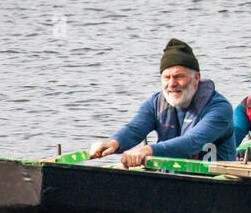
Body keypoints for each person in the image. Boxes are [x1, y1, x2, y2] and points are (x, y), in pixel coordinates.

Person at [87, 38, 236, 167]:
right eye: (166, 77)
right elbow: (134, 128)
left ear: (196, 78)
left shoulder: (219, 108)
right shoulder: (155, 104)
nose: (172, 84)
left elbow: (192, 142)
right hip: (173, 181)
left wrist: (148, 150)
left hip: (213, 183)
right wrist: (114, 143)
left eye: (178, 76)